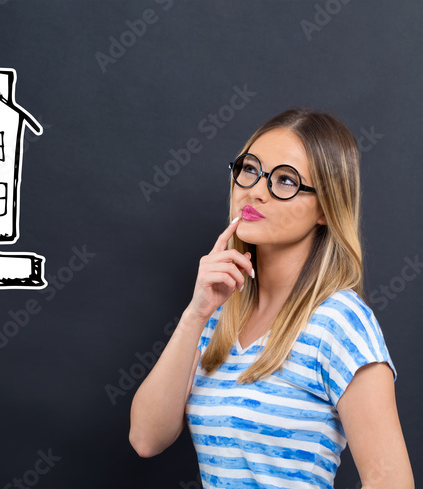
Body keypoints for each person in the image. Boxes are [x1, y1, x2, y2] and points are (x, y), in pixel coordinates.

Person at [128, 108, 414, 488]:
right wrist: (196, 314)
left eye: (285, 181)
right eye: (250, 169)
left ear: (326, 209)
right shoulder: (220, 313)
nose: (256, 190)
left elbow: (389, 481)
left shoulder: (340, 322)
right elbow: (147, 438)